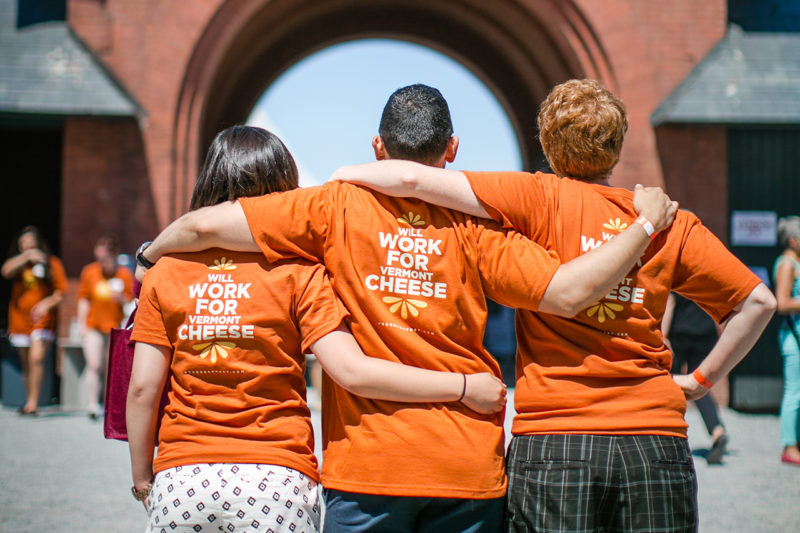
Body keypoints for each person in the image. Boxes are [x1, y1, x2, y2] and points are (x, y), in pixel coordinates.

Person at [135, 84, 676, 533]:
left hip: (367, 467)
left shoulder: (332, 206)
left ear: (377, 146)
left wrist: (151, 253)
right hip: (465, 466)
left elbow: (206, 225)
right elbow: (566, 291)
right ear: (453, 149)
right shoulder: (477, 227)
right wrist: (642, 227)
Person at [333, 79, 776, 532]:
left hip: (555, 437)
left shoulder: (536, 197)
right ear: (617, 147)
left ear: (547, 144)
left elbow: (412, 177)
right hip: (654, 438)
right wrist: (701, 381)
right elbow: (758, 303)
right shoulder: (671, 224)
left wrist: (340, 179)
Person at [127, 125, 508, 533]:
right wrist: (465, 387)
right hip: (274, 477)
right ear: (284, 192)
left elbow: (142, 389)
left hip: (183, 475)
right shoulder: (301, 273)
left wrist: (142, 478)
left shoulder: (165, 274)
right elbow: (350, 369)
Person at [2, 226, 67, 415]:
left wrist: (47, 303)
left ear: (38, 243)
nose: (28, 246)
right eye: (24, 244)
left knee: (37, 358)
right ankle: (30, 399)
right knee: (26, 363)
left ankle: (33, 404)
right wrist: (25, 258)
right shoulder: (19, 264)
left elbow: (61, 292)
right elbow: (5, 271)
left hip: (42, 320)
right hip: (19, 321)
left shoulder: (52, 263)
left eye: (30, 242)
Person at [663, 292, 729, 464]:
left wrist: (662, 336)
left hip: (680, 332)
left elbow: (669, 304)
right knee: (699, 385)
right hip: (705, 332)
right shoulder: (702, 277)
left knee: (669, 384)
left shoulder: (676, 277)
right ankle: (717, 430)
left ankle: (668, 437)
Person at [78, 235, 134, 418]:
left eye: (104, 258)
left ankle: (107, 404)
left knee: (111, 368)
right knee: (94, 364)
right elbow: (84, 299)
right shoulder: (90, 272)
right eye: (98, 258)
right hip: (93, 325)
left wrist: (121, 299)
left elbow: (133, 301)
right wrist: (81, 325)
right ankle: (93, 405)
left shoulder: (124, 274)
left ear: (113, 255)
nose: (101, 262)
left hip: (115, 325)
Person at [773, 215, 800, 466]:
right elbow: (782, 303)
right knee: (794, 391)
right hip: (793, 337)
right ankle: (789, 447)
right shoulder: (786, 264)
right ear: (793, 240)